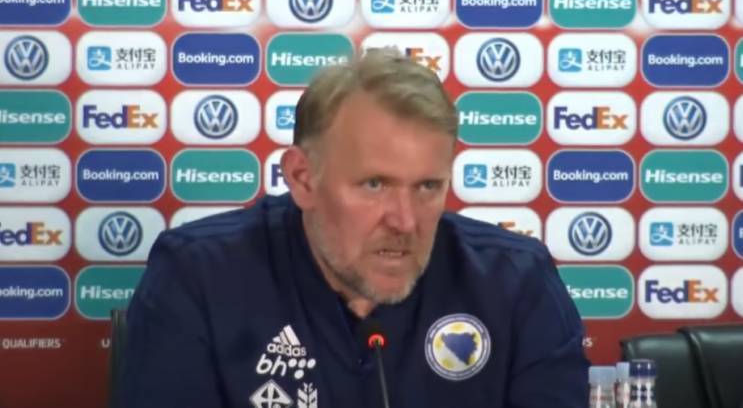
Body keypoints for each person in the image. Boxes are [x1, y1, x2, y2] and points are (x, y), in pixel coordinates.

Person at [120, 48, 589, 408]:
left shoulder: (516, 284)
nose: (405, 221)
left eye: (427, 187)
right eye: (374, 184)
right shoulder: (198, 278)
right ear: (303, 178)